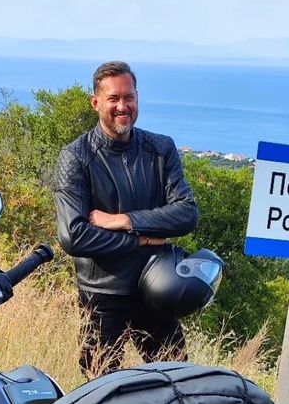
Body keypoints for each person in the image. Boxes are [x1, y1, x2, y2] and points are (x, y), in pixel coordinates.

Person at [53, 60, 199, 375]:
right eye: (114, 99)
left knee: (175, 384)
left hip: (157, 289)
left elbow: (187, 213)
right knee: (101, 394)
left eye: (129, 97)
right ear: (96, 103)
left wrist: (123, 220)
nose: (123, 106)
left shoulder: (160, 149)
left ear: (137, 98)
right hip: (102, 296)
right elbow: (74, 236)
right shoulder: (76, 158)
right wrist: (143, 238)